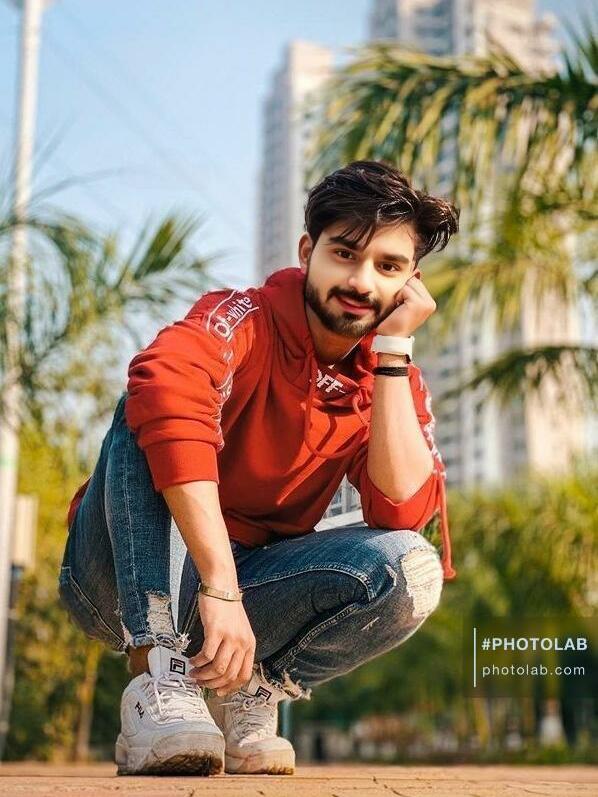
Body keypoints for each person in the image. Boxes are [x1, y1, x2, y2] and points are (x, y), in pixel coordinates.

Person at [58, 160, 460, 777]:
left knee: (411, 567)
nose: (361, 281)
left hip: (243, 602)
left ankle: (250, 685)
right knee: (155, 395)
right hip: (118, 575)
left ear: (410, 282)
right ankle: (157, 671)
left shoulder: (389, 379)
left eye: (388, 266)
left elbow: (402, 512)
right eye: (345, 254)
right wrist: (219, 584)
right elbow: (165, 387)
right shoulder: (243, 318)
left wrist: (392, 353)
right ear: (307, 252)